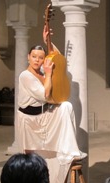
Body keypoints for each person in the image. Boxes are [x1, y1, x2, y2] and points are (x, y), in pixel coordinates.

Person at [17, 24, 86, 160]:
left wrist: (48, 41)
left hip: (44, 114)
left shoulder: (42, 71)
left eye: (41, 57)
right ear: (28, 57)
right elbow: (45, 95)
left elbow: (58, 58)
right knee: (30, 157)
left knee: (66, 106)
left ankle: (69, 151)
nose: (37, 60)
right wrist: (48, 74)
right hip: (29, 120)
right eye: (34, 56)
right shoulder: (25, 76)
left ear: (44, 60)